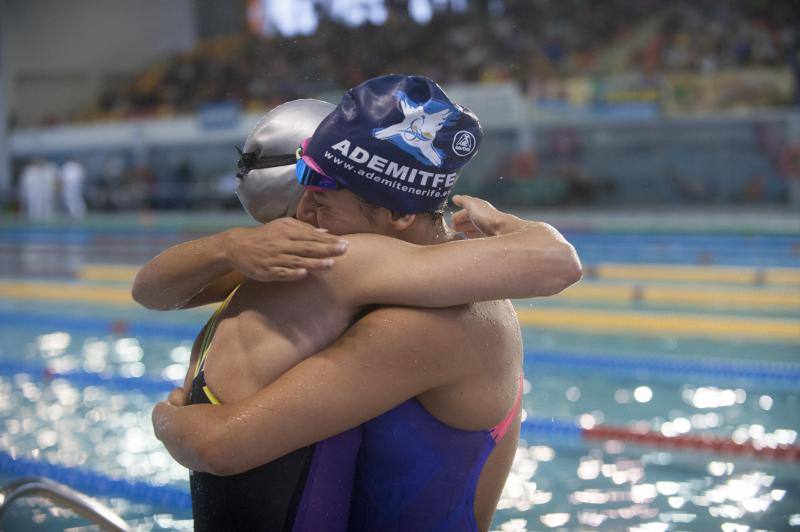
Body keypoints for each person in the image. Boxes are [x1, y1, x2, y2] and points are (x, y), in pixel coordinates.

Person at [139, 76, 581, 531]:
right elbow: (155, 291)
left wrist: (167, 420)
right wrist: (229, 247)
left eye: (323, 196)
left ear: (399, 214)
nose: (303, 214)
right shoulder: (367, 265)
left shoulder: (435, 323)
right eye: (303, 185)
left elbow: (220, 447)